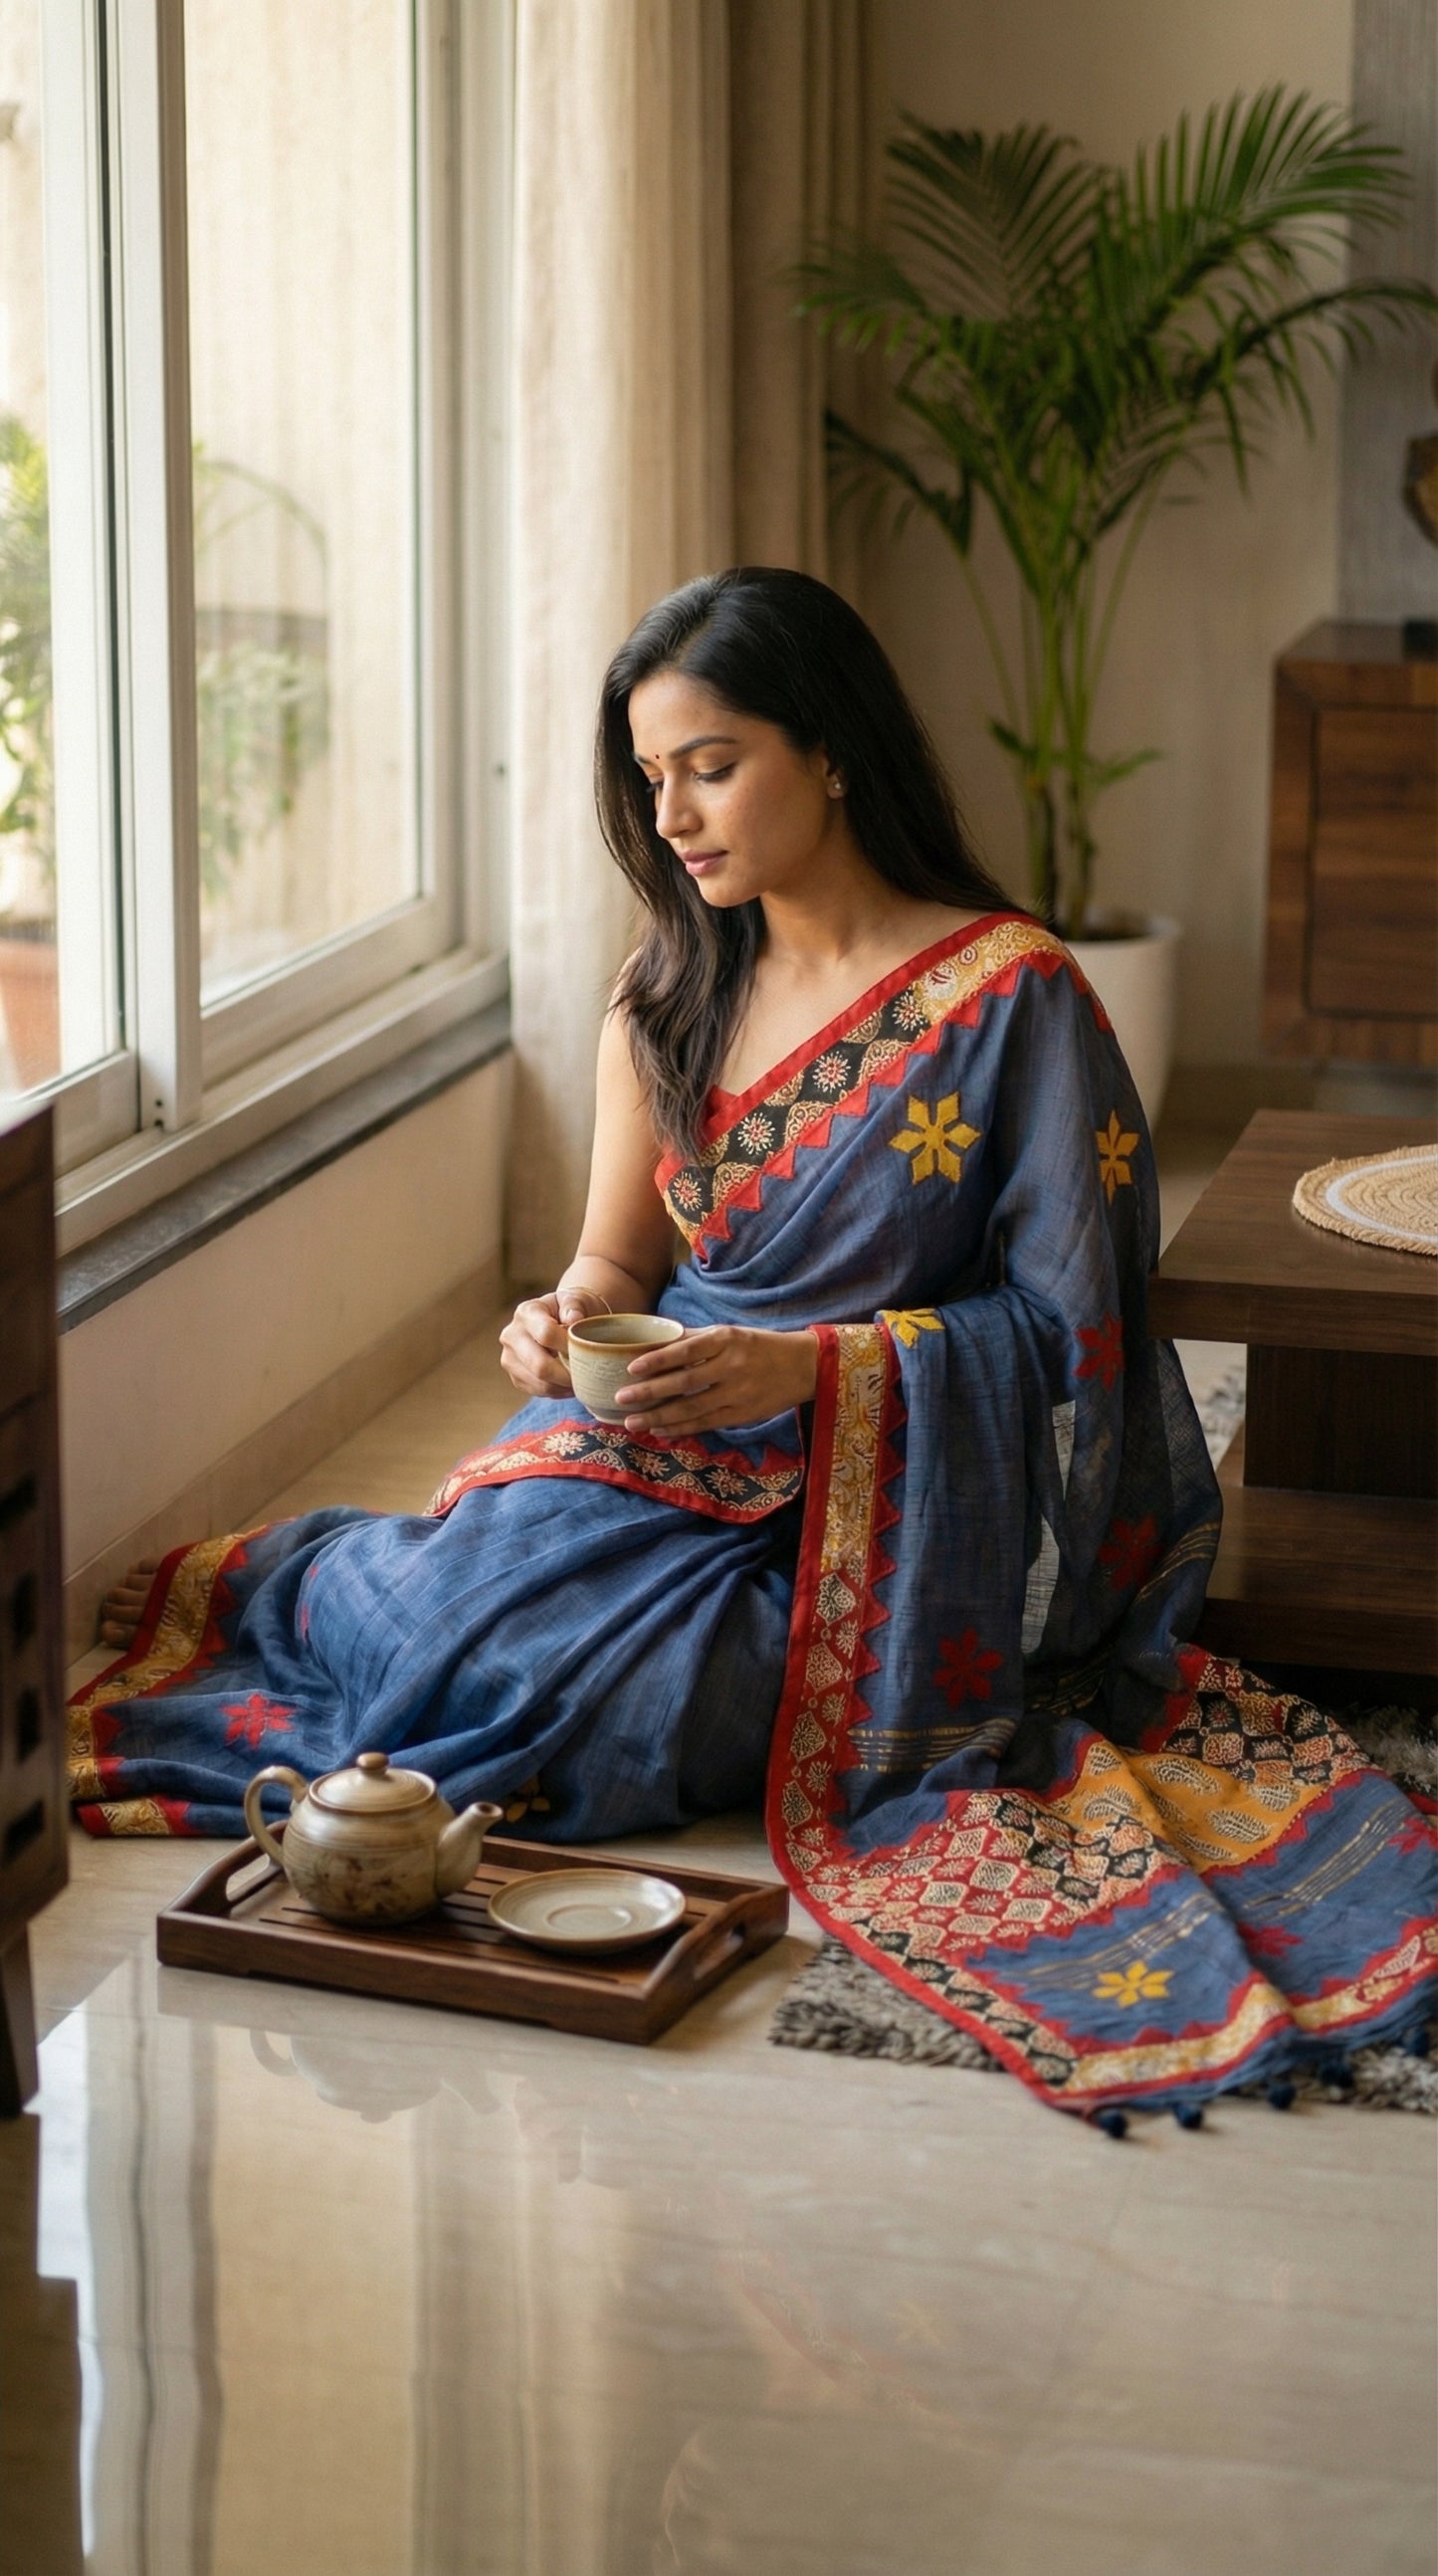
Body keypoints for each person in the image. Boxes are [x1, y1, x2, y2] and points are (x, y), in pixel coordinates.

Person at [74, 568, 1435, 2121]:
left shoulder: (1012, 1000)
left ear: (834, 749)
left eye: (709, 766)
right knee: (458, 1630)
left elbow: (1078, 1331)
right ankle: (308, 1571)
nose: (673, 817)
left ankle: (394, 1603)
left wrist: (823, 1369)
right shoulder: (667, 991)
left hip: (884, 1511)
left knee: (623, 1708)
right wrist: (560, 1313)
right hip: (645, 1436)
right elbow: (613, 1258)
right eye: (650, 781)